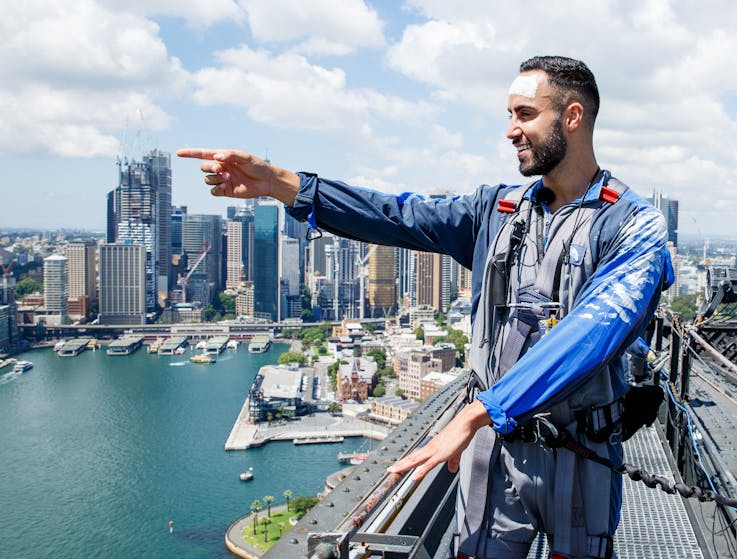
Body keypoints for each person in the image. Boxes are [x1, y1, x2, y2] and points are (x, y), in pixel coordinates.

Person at [179, 55, 673, 559]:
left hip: (576, 450)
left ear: (571, 116)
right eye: (508, 114)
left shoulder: (634, 226)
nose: (510, 130)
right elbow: (400, 215)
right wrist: (284, 185)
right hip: (492, 451)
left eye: (524, 114)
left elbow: (597, 328)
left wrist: (479, 413)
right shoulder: (498, 211)